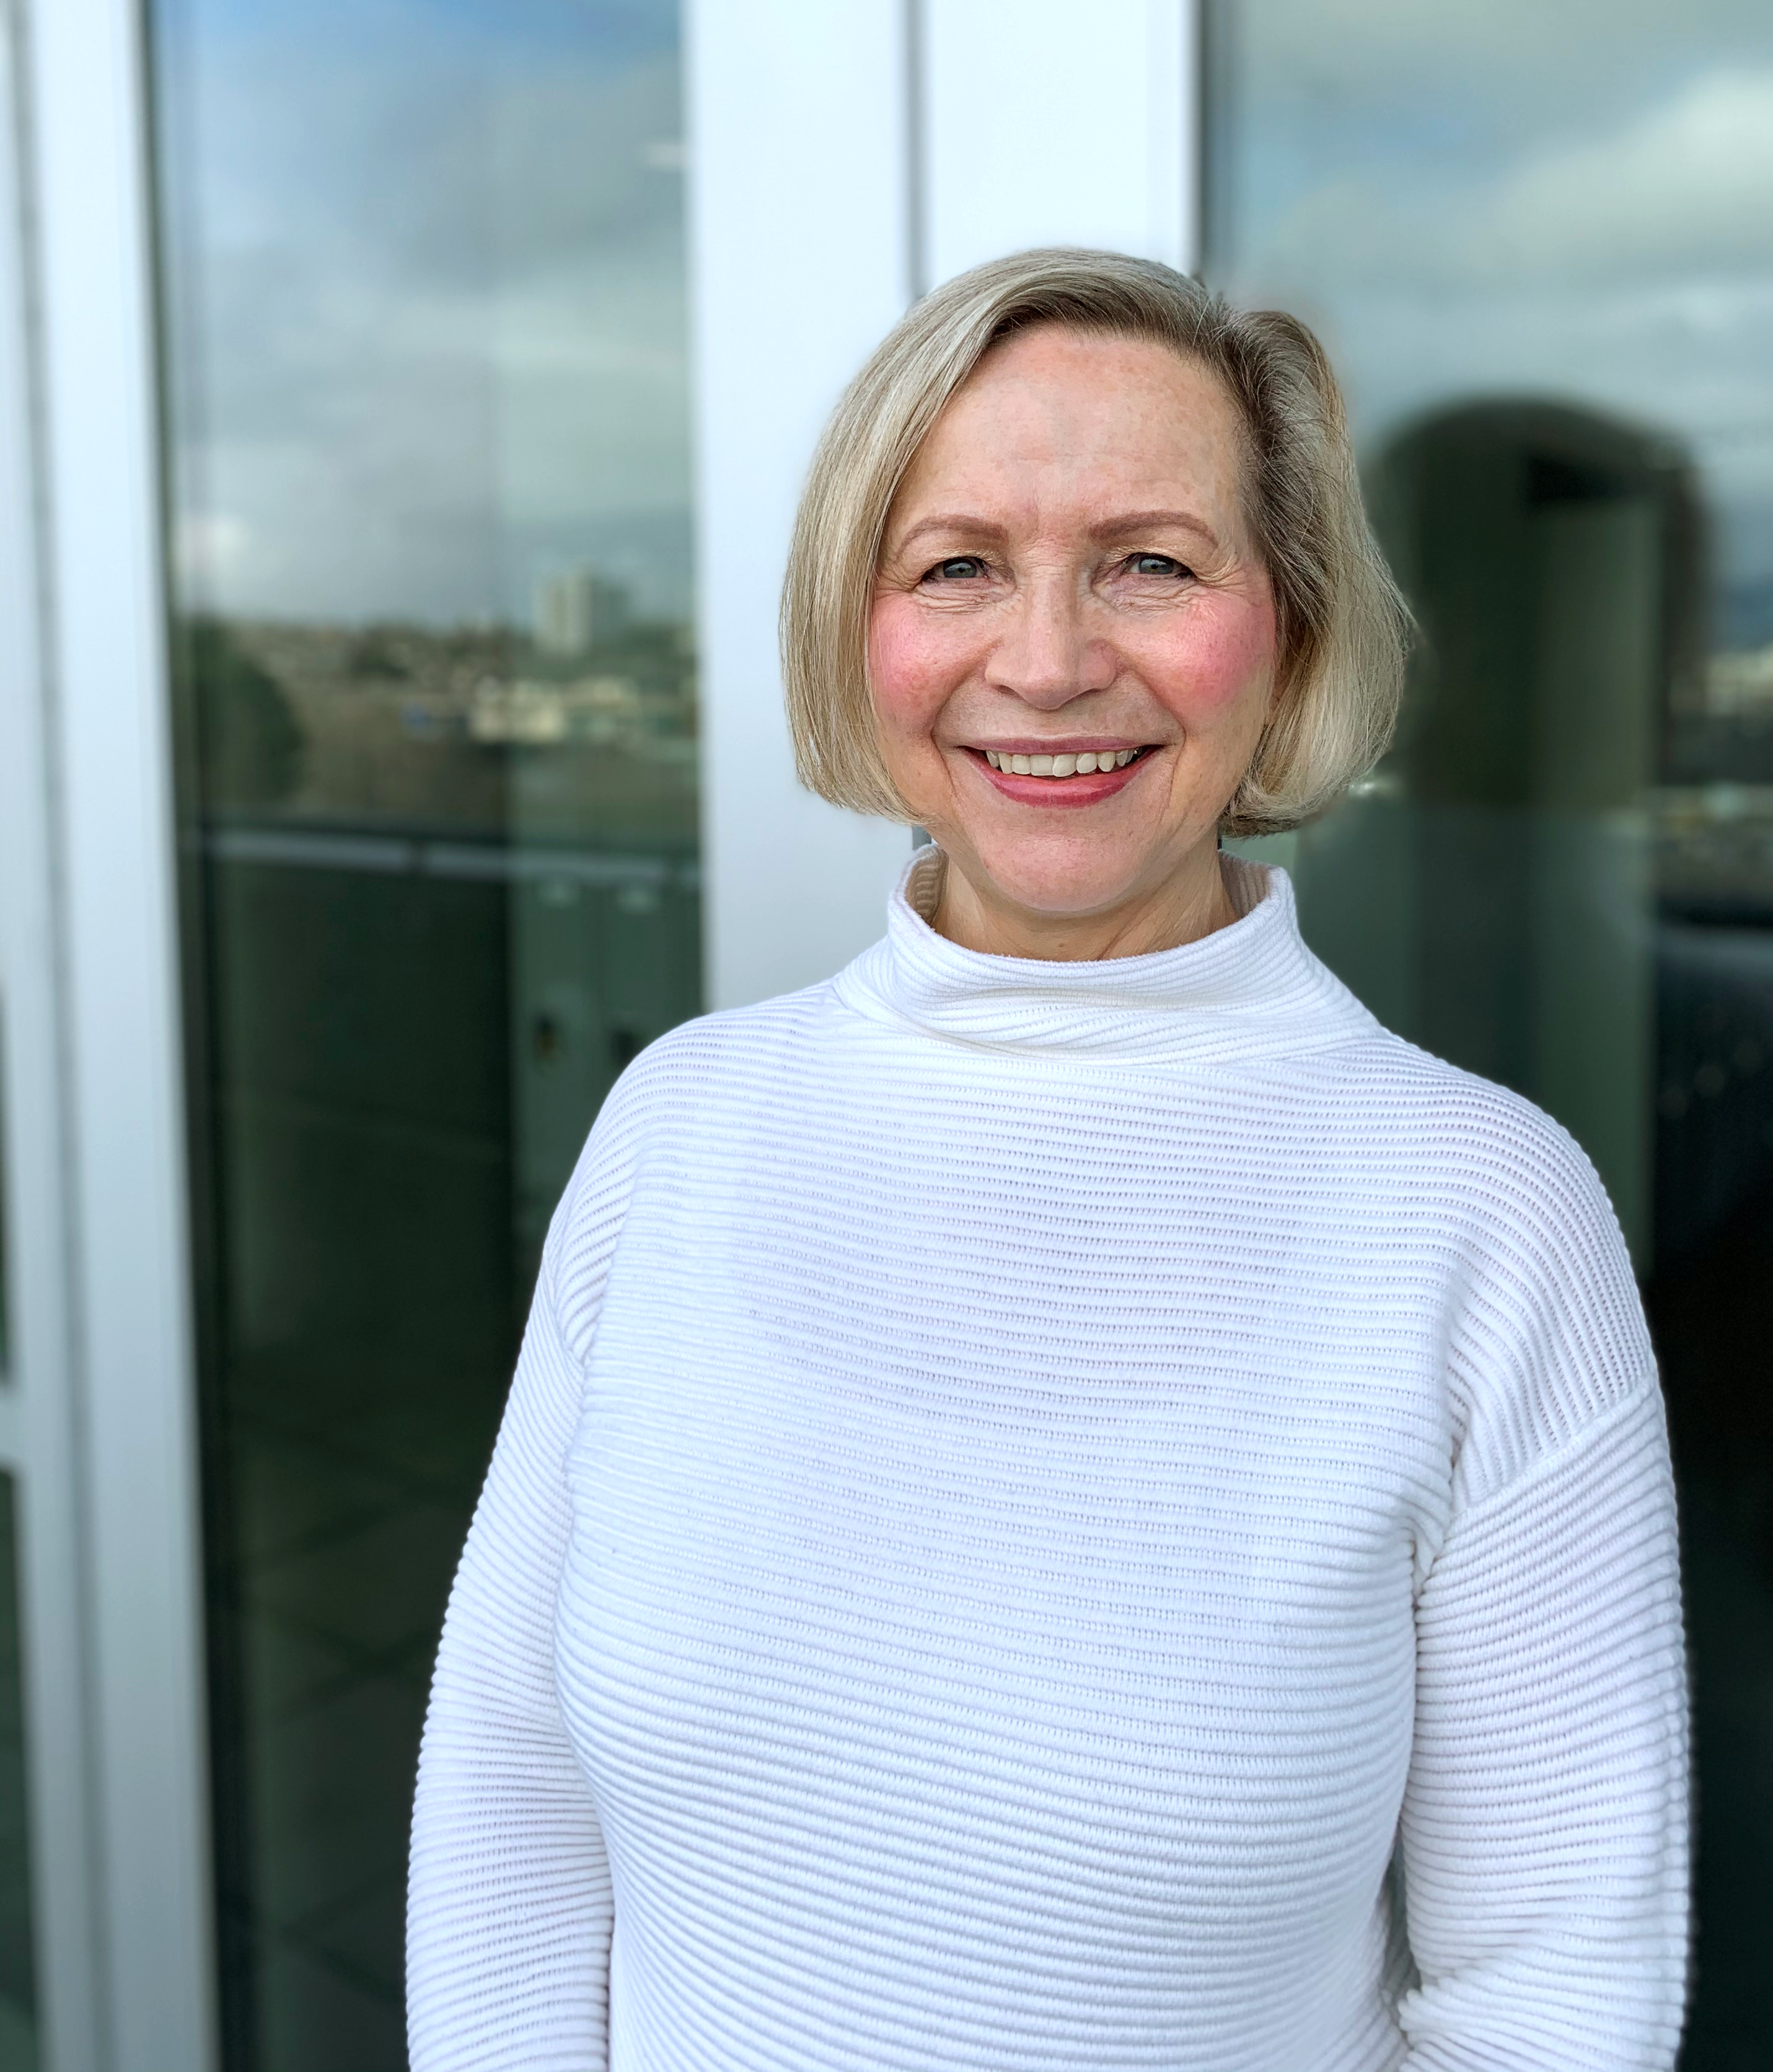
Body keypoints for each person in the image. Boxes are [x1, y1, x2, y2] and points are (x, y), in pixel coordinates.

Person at [407, 248, 1688, 2070]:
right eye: (957, 566)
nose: (1047, 660)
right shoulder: (675, 1128)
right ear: (858, 631)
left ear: (1294, 635)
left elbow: (1552, 1990)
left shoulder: (1482, 1218)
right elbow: (512, 1802)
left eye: (1150, 563)